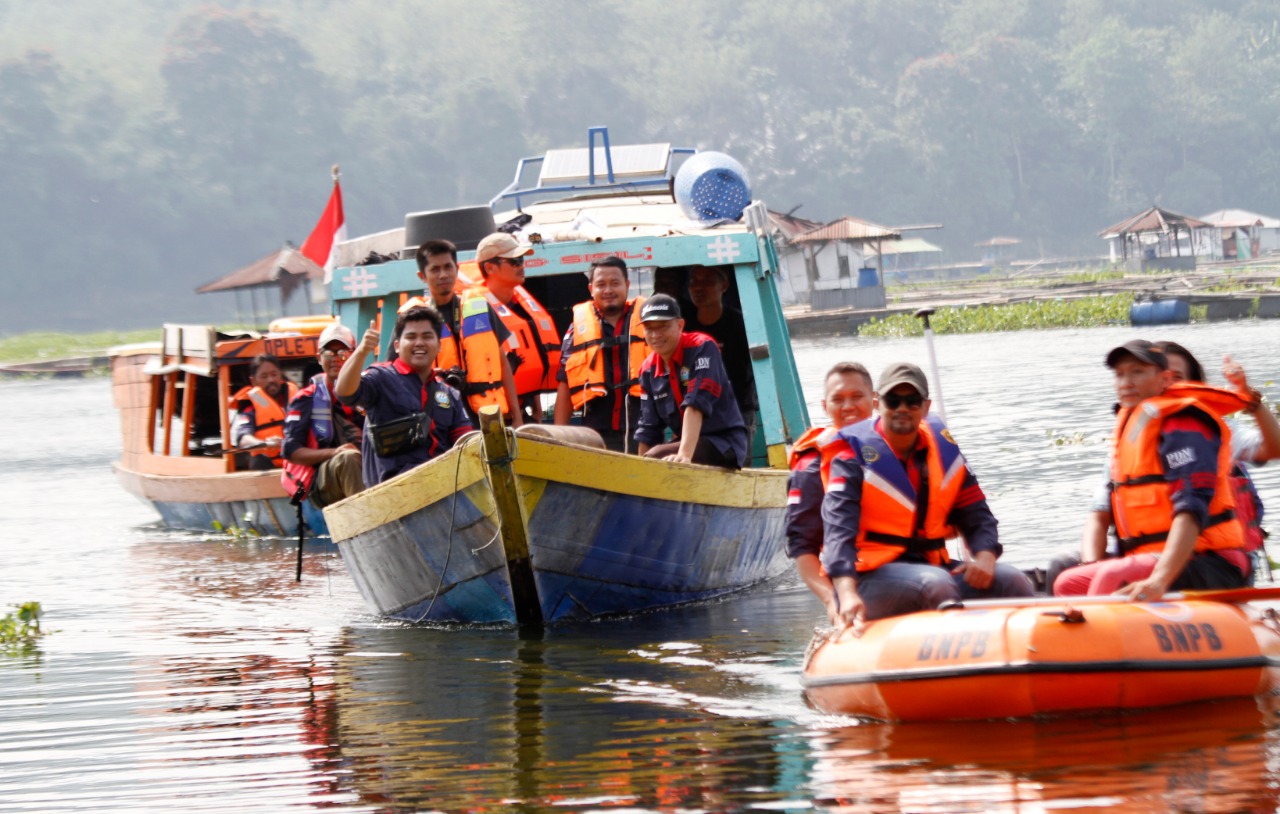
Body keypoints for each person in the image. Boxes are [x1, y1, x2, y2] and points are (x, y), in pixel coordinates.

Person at [822, 362, 1033, 628]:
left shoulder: (944, 454)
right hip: (866, 578)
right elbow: (837, 532)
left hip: (933, 565)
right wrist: (846, 591)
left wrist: (985, 556)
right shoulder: (850, 456)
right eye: (893, 400)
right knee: (935, 583)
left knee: (1011, 579)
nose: (902, 408)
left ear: (926, 407)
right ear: (878, 403)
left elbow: (978, 514)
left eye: (912, 401)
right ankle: (953, 662)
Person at [1054, 340, 1258, 597]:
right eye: (1119, 374)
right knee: (1067, 583)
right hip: (1152, 557)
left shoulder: (1185, 423)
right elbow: (1100, 513)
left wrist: (1159, 580)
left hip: (1210, 561)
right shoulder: (1133, 426)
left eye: (1137, 372)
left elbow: (1192, 508)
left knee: (1111, 575)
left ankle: (1106, 632)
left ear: (1164, 379)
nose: (1126, 382)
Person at [335, 305, 473, 487]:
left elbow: (467, 444)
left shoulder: (449, 393)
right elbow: (345, 392)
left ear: (439, 345)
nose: (419, 343)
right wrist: (361, 352)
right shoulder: (381, 378)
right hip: (393, 495)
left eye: (427, 336)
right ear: (397, 346)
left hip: (444, 489)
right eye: (411, 337)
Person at [786, 362, 877, 624]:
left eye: (857, 397)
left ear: (874, 400)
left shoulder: (896, 446)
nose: (848, 406)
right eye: (838, 399)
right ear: (825, 406)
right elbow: (802, 544)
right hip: (859, 574)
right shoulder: (812, 465)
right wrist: (831, 599)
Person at [412, 239, 521, 427]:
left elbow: (502, 364)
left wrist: (517, 417)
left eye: (448, 267)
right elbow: (398, 372)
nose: (443, 274)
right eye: (435, 269)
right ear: (422, 275)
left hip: (486, 415)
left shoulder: (480, 306)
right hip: (439, 419)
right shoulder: (413, 320)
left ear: (457, 268)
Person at [634, 294, 749, 468]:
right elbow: (648, 428)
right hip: (684, 444)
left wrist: (684, 456)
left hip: (723, 443)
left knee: (656, 456)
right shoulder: (647, 369)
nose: (656, 335)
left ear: (680, 325)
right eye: (649, 329)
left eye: (663, 326)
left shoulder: (702, 347)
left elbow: (696, 403)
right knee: (648, 459)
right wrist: (638, 471)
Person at [554, 256, 648, 452]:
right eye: (601, 284)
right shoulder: (576, 330)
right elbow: (565, 382)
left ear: (627, 285)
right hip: (596, 434)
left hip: (645, 430)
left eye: (615, 283)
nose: (608, 290)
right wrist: (558, 436)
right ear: (591, 289)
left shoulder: (649, 324)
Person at [473, 232, 560, 423]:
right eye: (514, 262)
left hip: (526, 409)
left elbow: (532, 351)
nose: (521, 266)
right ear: (490, 267)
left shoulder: (520, 305)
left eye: (521, 260)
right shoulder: (478, 312)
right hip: (498, 415)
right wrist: (516, 415)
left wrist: (536, 401)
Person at [280, 322, 366, 508]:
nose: (335, 358)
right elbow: (290, 451)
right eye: (328, 353)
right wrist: (335, 452)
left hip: (367, 467)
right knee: (348, 458)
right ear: (319, 358)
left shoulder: (368, 391)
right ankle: (367, 524)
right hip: (323, 479)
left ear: (353, 355)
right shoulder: (306, 398)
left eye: (342, 353)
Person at [683, 264, 759, 444]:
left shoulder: (741, 324)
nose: (699, 287)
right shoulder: (684, 326)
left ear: (724, 286)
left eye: (707, 281)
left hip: (738, 410)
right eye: (694, 282)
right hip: (697, 410)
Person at [233, 354, 298, 470]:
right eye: (264, 376)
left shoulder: (298, 400)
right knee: (259, 461)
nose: (271, 380)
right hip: (269, 466)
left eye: (274, 374)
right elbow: (243, 439)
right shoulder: (250, 410)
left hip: (298, 461)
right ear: (253, 381)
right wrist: (265, 443)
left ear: (280, 375)